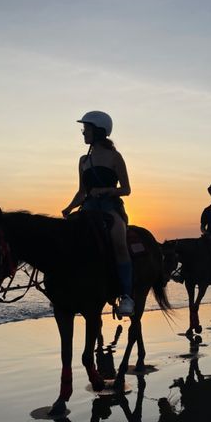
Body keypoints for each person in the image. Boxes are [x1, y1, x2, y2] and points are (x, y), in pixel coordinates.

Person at [62, 111, 135, 317]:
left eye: (86, 129)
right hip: (88, 207)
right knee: (69, 241)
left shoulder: (115, 157)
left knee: (119, 242)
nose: (83, 133)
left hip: (111, 207)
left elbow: (126, 189)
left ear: (99, 131)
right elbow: (81, 191)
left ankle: (126, 295)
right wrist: (68, 208)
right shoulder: (83, 160)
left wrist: (105, 191)